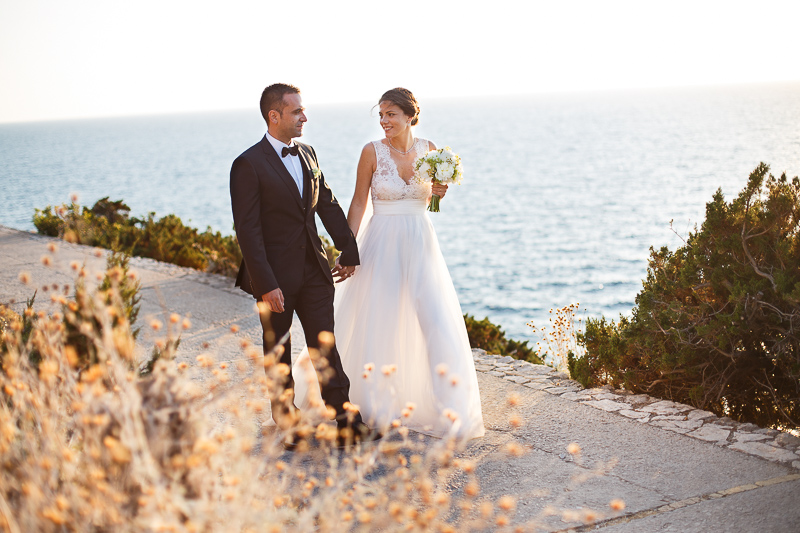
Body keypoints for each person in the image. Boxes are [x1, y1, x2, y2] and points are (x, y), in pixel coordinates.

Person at [294, 88, 484, 440]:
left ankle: (450, 407)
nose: (384, 122)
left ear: (410, 115)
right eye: (380, 115)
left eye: (391, 114)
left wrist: (440, 192)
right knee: (379, 320)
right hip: (380, 242)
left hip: (420, 242)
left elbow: (431, 197)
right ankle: (375, 405)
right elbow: (357, 203)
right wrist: (348, 249)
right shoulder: (371, 152)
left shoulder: (430, 150)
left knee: (436, 320)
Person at [229, 83, 376, 448]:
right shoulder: (247, 164)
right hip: (274, 277)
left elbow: (326, 202)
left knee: (324, 345)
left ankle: (344, 419)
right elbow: (248, 232)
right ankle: (288, 423)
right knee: (277, 350)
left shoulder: (308, 153)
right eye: (297, 112)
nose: (304, 118)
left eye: (302, 110)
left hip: (314, 270)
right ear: (274, 116)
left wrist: (349, 247)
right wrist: (266, 283)